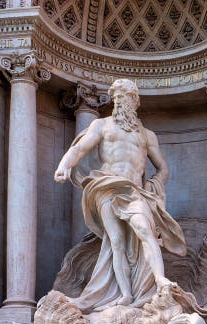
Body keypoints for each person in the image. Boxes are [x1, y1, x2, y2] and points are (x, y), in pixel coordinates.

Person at [54, 79, 186, 311]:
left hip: (134, 191)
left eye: (126, 97)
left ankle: (160, 281)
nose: (121, 101)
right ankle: (125, 294)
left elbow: (163, 168)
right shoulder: (101, 125)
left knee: (145, 231)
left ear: (135, 101)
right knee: (115, 241)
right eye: (118, 97)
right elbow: (80, 148)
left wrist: (155, 188)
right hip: (106, 186)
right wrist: (64, 164)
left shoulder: (147, 135)